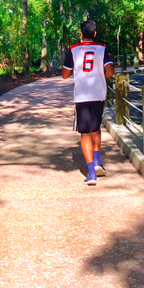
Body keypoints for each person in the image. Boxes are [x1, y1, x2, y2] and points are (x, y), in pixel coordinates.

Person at [62, 20, 115, 186]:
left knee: (85, 133)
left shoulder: (73, 50)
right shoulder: (102, 49)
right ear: (95, 34)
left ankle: (92, 172)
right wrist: (99, 75)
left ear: (81, 34)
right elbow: (110, 71)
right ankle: (98, 161)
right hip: (98, 94)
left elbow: (65, 75)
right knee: (96, 128)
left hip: (82, 96)